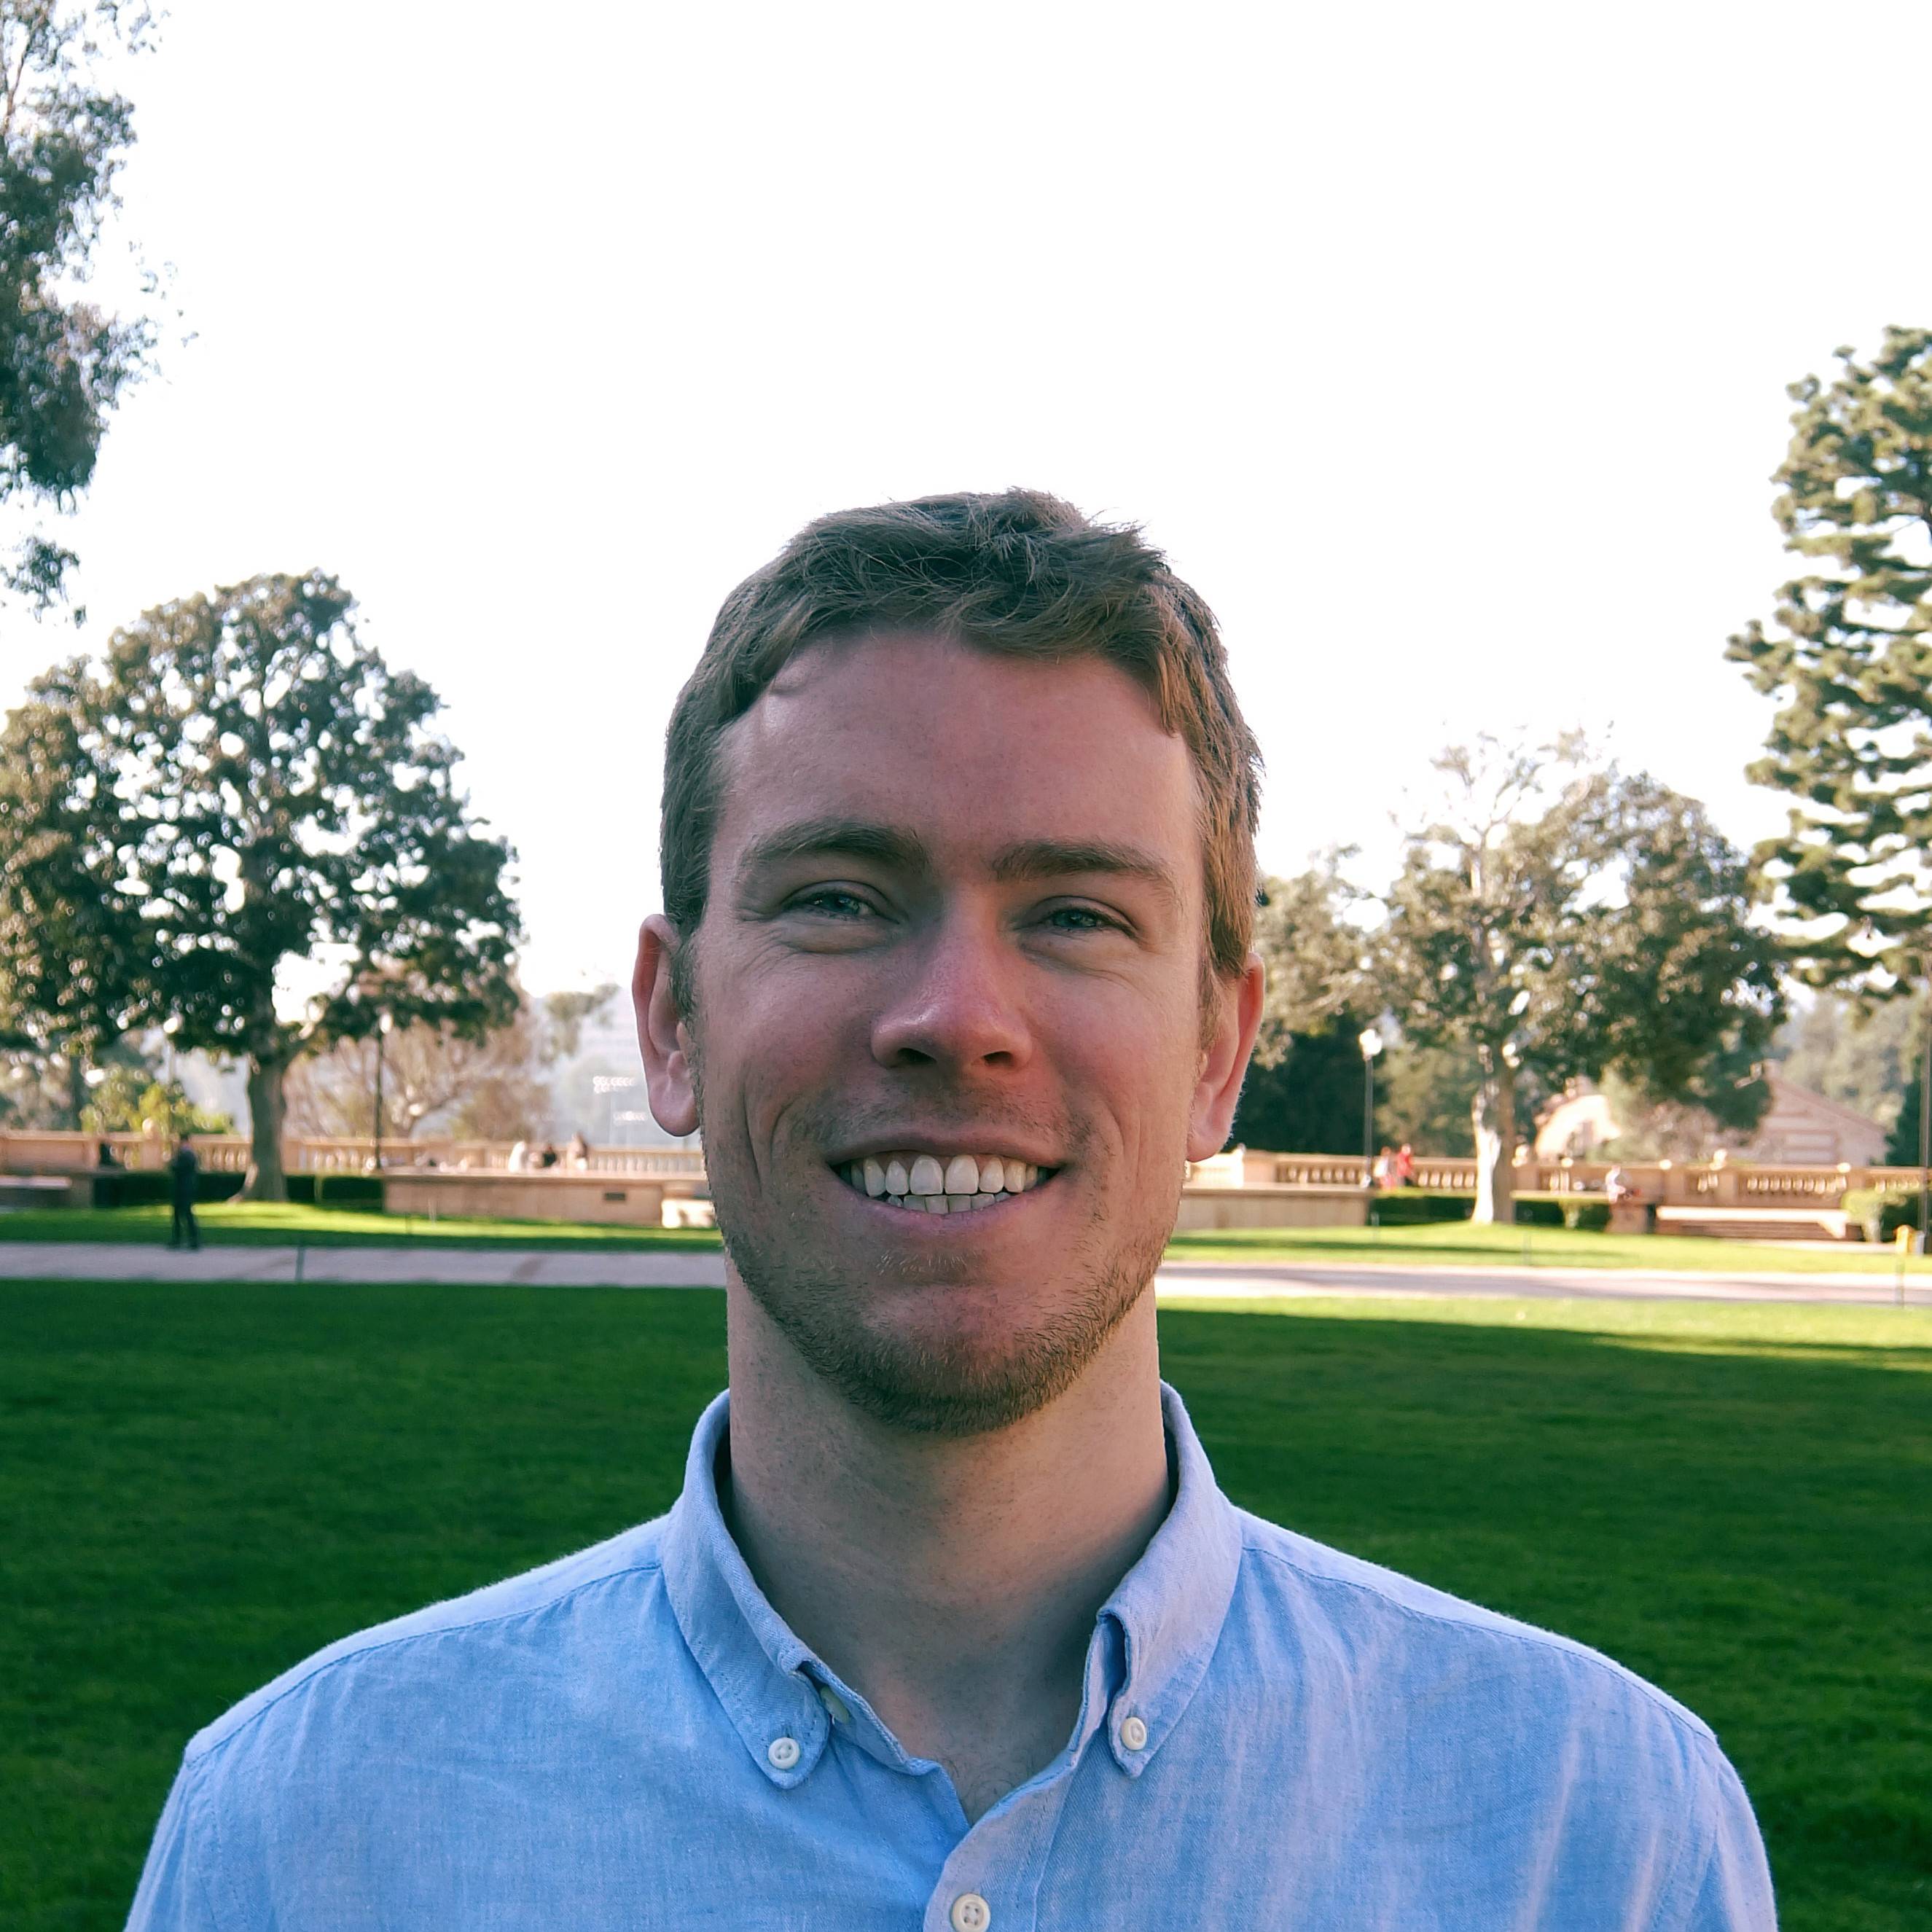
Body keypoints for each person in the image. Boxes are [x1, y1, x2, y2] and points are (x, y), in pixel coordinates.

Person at [128, 493, 1775, 1928]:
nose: (956, 1015)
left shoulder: (1596, 1833)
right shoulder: (307, 1830)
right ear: (671, 1021)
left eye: (1074, 913)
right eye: (841, 898)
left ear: (1217, 1049)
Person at [165, 1139, 200, 1252]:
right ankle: (180, 1239)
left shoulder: (188, 1156)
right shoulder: (185, 1155)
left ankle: (191, 1240)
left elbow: (176, 1168)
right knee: (178, 1215)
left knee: (186, 1214)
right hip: (181, 1189)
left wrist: (173, 1161)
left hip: (184, 1189)